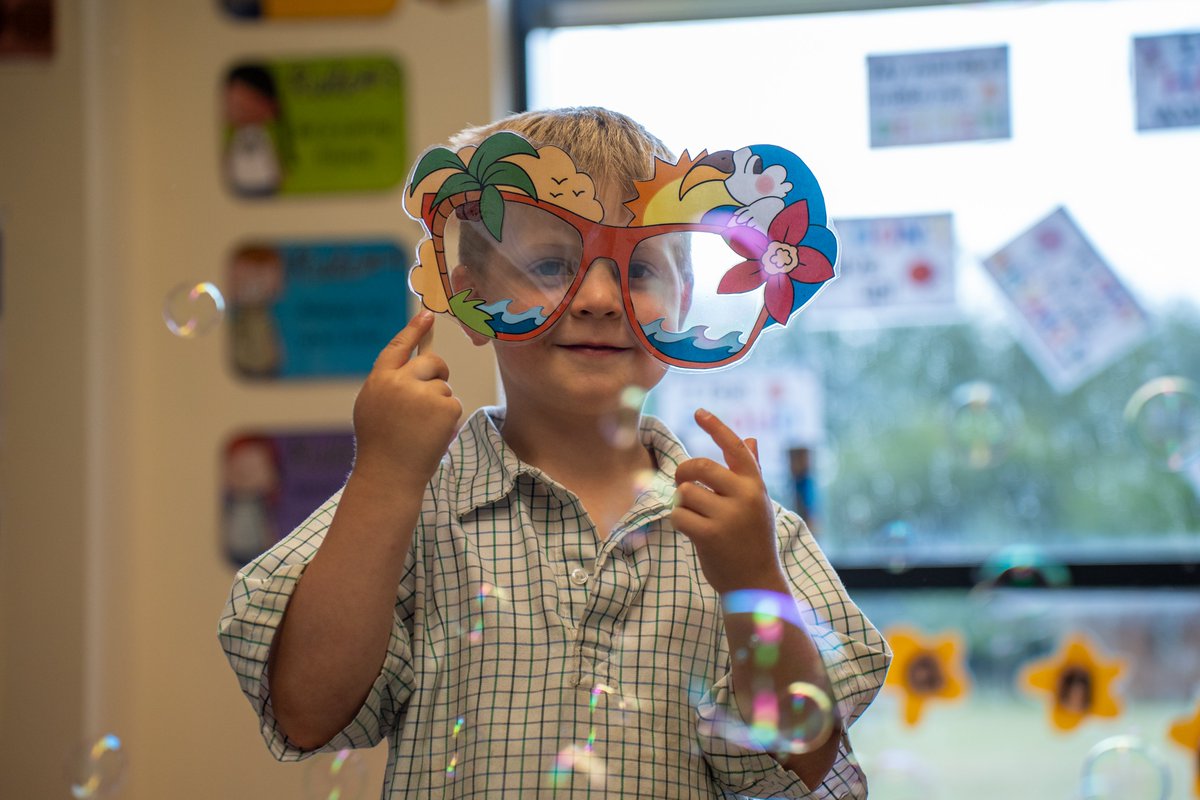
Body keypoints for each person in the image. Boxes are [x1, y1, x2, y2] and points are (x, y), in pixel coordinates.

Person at [218, 106, 890, 798]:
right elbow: (306, 711)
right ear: (468, 292)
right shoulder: (409, 501)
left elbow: (807, 767)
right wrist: (386, 473)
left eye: (640, 272)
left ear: (683, 302)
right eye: (549, 264)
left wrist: (752, 583)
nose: (599, 298)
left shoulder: (751, 534)